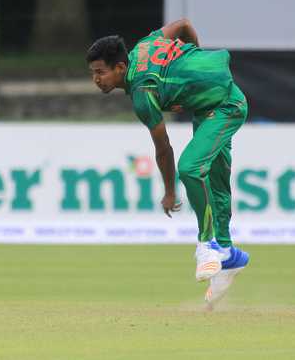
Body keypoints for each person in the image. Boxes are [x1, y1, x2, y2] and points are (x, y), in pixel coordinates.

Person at [86, 19, 249, 307]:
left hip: (227, 106)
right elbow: (184, 25)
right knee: (217, 180)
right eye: (93, 73)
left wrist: (170, 191)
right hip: (205, 107)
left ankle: (206, 244)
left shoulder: (142, 93)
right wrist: (195, 55)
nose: (96, 79)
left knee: (190, 168)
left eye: (101, 72)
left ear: (120, 68)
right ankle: (228, 255)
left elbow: (163, 148)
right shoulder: (146, 44)